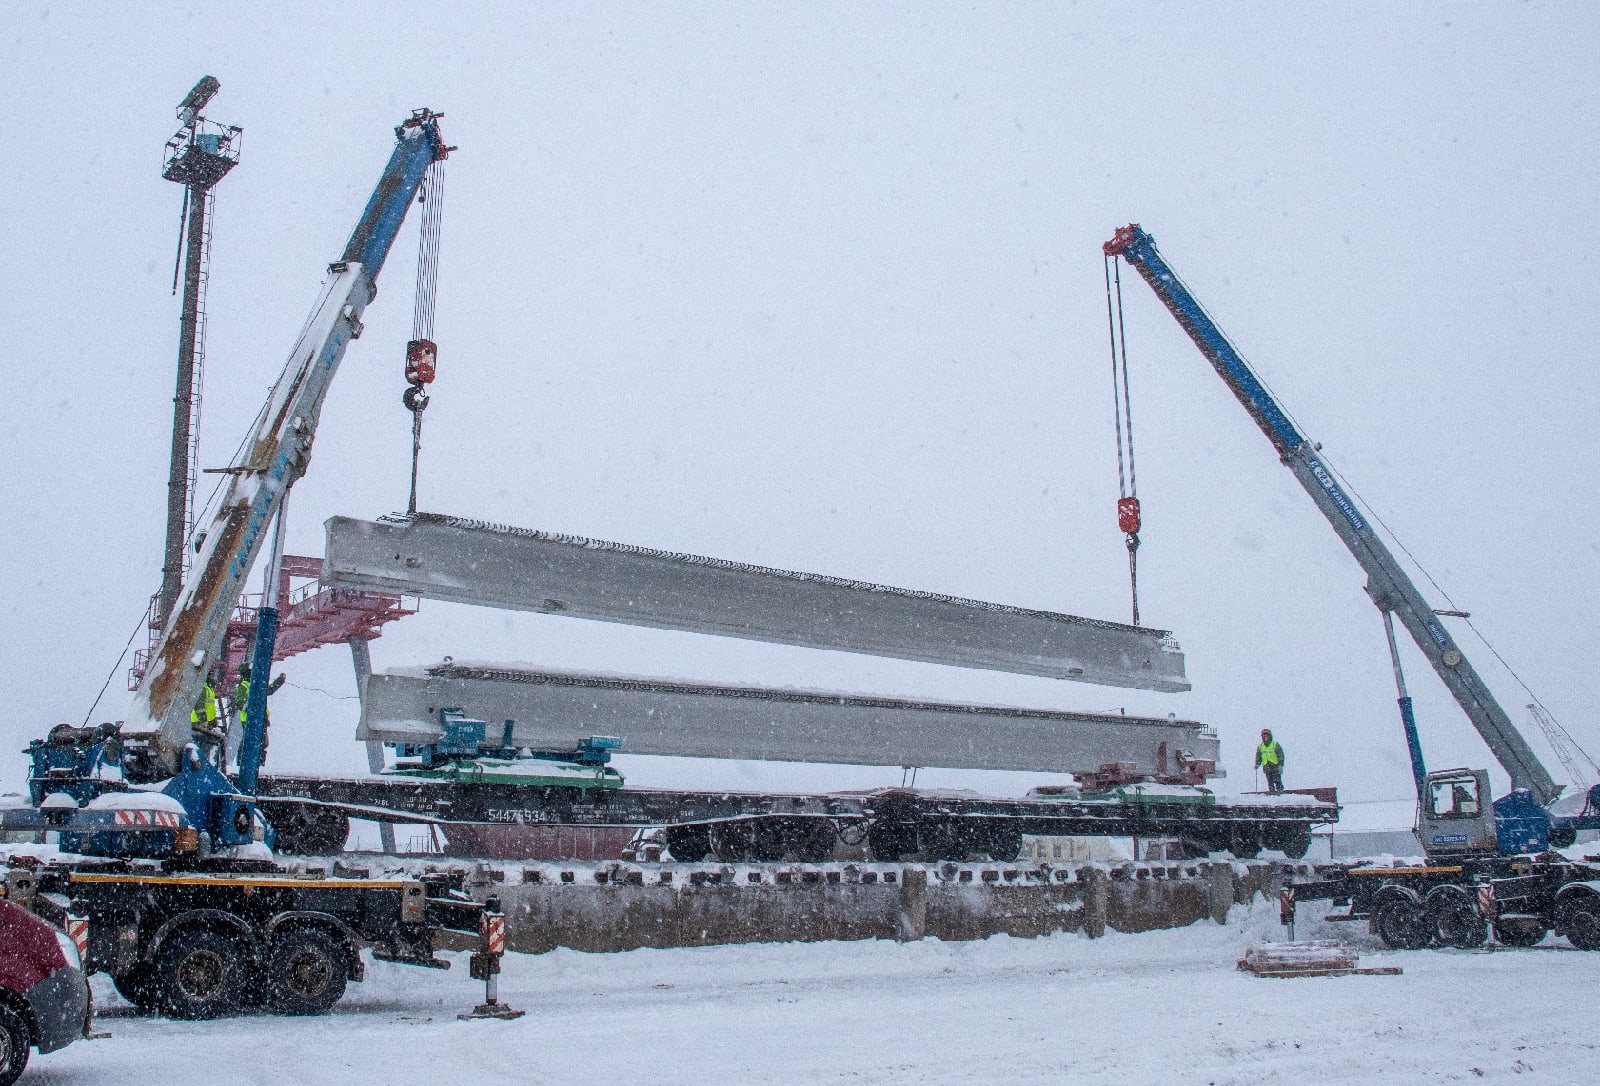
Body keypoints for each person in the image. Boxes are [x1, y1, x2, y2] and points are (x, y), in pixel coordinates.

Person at [234, 661, 286, 761]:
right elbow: (240, 702)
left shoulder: (255, 685)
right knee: (252, 741)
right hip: (252, 720)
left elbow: (269, 690)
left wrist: (280, 680)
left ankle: (255, 761)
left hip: (260, 718)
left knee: (261, 742)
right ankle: (246, 761)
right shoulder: (244, 686)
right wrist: (253, 712)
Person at [1255, 728, 1285, 794]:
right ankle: (1272, 792)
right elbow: (1258, 756)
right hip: (1266, 766)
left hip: (1275, 766)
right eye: (1263, 735)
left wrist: (1280, 765)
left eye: (1267, 735)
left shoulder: (1275, 745)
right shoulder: (1260, 747)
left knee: (1277, 779)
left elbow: (1281, 756)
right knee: (1270, 781)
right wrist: (1257, 764)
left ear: (1270, 736)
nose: (1265, 737)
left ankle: (1280, 791)